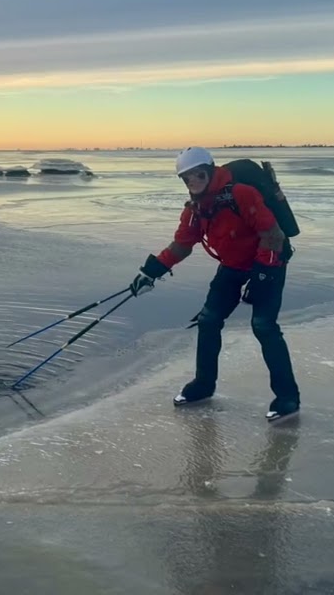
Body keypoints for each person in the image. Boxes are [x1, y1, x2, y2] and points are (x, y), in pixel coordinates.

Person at [129, 146, 301, 421]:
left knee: (264, 326)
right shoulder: (196, 208)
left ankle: (288, 397)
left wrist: (261, 276)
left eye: (197, 175)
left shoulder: (242, 194)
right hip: (232, 266)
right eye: (186, 178)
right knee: (209, 321)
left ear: (208, 170)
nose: (192, 182)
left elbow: (273, 235)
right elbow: (182, 244)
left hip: (269, 262)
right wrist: (151, 271)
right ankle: (203, 386)